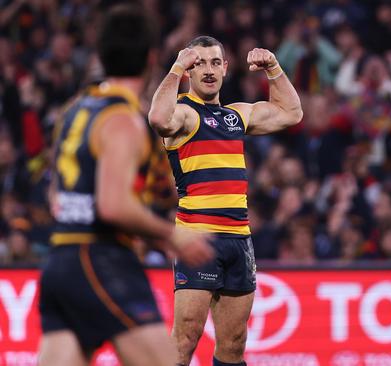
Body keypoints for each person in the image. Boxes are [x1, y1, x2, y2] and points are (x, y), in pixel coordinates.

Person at [38, 5, 214, 366]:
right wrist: (171, 235)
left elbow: (58, 194)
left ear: (100, 55)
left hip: (60, 260)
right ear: (152, 57)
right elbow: (113, 205)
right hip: (101, 260)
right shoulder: (123, 121)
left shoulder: (75, 110)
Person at [148, 36, 302, 366]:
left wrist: (273, 68)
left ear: (225, 69)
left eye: (215, 62)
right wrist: (176, 66)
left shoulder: (237, 116)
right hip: (197, 237)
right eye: (199, 63)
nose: (208, 69)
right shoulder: (184, 116)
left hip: (238, 239)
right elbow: (158, 118)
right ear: (189, 70)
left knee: (234, 342)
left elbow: (291, 113)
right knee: (187, 335)